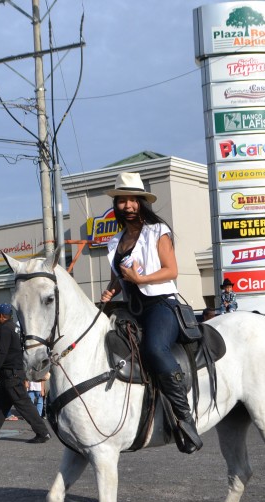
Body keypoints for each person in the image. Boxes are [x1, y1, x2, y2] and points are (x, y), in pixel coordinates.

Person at [97, 171, 202, 453]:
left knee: (155, 349)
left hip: (161, 304)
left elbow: (172, 270)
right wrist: (110, 291)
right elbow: (119, 278)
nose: (128, 206)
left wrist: (141, 280)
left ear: (142, 202)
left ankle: (184, 418)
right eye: (122, 201)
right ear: (116, 205)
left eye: (133, 200)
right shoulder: (114, 241)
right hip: (131, 308)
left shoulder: (158, 231)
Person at [0, 303, 50, 444]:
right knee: (1, 406)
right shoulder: (14, 327)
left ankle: (43, 432)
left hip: (11, 374)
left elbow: (2, 351)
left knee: (24, 404)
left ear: (2, 316)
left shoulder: (4, 329)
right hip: (12, 372)